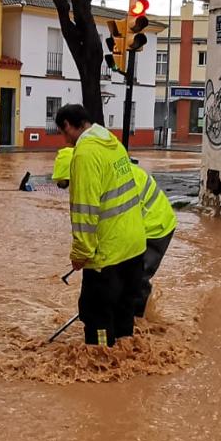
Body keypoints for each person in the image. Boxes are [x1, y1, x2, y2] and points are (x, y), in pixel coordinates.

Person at [55, 104, 146, 347]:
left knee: (97, 317)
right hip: (135, 247)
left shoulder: (86, 154)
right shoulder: (113, 143)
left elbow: (85, 211)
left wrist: (81, 254)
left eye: (63, 134)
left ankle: (101, 365)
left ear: (68, 126)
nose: (65, 141)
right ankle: (125, 361)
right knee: (124, 312)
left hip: (108, 255)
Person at [130, 163, 177, 317]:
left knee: (137, 275)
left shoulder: (118, 182)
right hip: (146, 222)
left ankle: (138, 320)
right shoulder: (113, 167)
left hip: (157, 228)